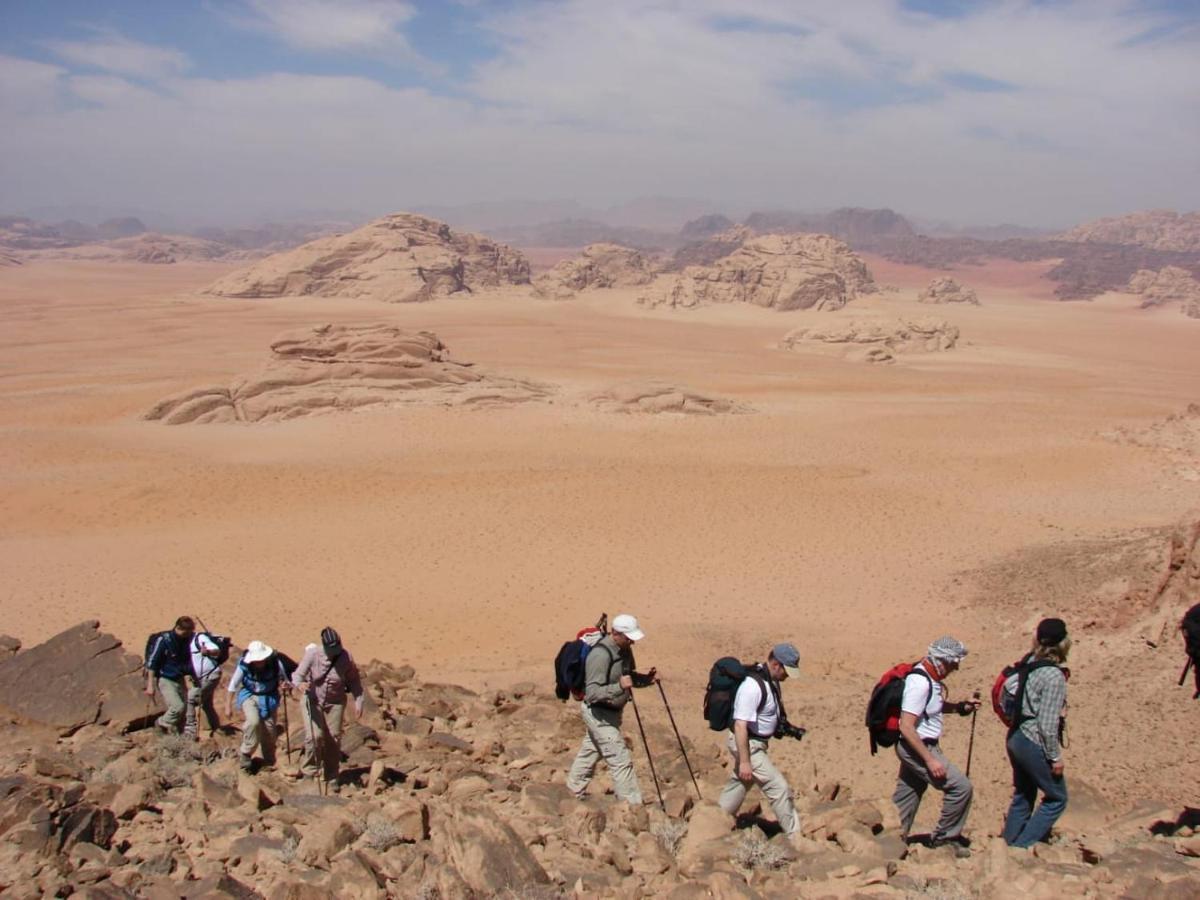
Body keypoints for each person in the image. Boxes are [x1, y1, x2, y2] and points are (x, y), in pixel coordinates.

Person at [893, 636, 978, 853]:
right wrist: (930, 760)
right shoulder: (920, 683)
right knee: (961, 788)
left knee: (908, 794)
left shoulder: (930, 681)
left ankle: (891, 838)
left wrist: (960, 707)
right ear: (940, 660)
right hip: (917, 747)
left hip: (920, 746)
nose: (955, 668)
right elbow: (906, 726)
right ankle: (945, 840)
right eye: (953, 663)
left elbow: (931, 708)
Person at [565, 614, 658, 805]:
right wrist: (619, 688)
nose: (632, 641)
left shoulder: (624, 650)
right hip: (598, 714)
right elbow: (592, 693)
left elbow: (627, 676)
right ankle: (632, 808)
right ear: (615, 633)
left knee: (590, 751)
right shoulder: (600, 655)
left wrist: (646, 680)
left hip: (613, 714)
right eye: (628, 637)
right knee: (620, 760)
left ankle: (571, 792)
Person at [717, 643, 804, 835]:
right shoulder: (753, 686)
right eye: (786, 671)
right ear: (775, 664)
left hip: (756, 744)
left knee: (742, 782)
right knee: (778, 787)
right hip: (748, 744)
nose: (787, 676)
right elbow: (740, 725)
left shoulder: (771, 682)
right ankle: (795, 837)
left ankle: (716, 818)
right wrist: (746, 761)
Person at [1003, 618, 1071, 848]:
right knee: (1057, 798)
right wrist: (1054, 757)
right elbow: (1047, 724)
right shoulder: (1053, 676)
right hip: (1031, 739)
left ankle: (1007, 846)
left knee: (1024, 793)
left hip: (1015, 735)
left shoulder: (1028, 662)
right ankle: (1021, 848)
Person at [292, 627, 364, 791]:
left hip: (335, 702)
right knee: (314, 736)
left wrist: (359, 700)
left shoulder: (346, 657)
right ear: (324, 646)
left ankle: (331, 776)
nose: (335, 650)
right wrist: (300, 684)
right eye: (331, 648)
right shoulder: (313, 655)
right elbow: (297, 675)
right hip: (313, 700)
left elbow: (354, 681)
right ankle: (309, 771)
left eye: (337, 646)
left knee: (334, 737)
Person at [225, 640, 291, 771]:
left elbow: (285, 680)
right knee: (253, 721)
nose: (259, 662)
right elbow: (233, 685)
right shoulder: (244, 665)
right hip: (250, 696)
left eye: (261, 659)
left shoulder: (275, 664)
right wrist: (228, 706)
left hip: (269, 697)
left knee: (269, 730)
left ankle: (268, 761)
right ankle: (246, 754)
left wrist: (285, 686)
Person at [144, 617, 196, 735]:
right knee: (177, 707)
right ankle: (161, 723)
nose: (188, 634)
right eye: (186, 632)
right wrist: (150, 685)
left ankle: (178, 737)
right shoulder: (164, 640)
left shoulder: (187, 639)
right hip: (165, 678)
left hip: (179, 677)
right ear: (178, 628)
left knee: (183, 712)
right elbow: (152, 662)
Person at [187, 630, 224, 740]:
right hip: (201, 678)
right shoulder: (185, 642)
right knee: (206, 704)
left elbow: (216, 650)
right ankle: (215, 729)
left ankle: (190, 731)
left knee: (191, 699)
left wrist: (207, 651)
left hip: (210, 676)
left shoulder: (200, 638)